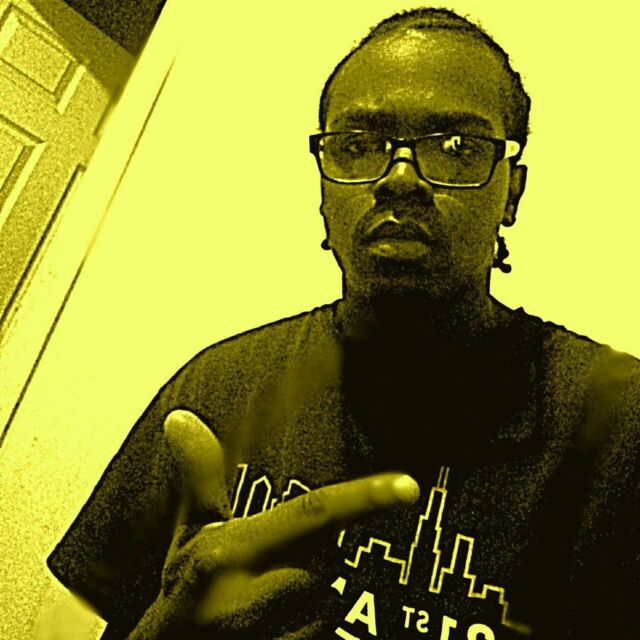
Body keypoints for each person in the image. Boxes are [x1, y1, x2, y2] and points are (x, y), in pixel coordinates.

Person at [48, 8, 640, 639]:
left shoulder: (619, 428)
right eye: (358, 146)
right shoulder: (215, 395)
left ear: (511, 194)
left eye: (456, 148)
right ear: (323, 188)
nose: (401, 178)